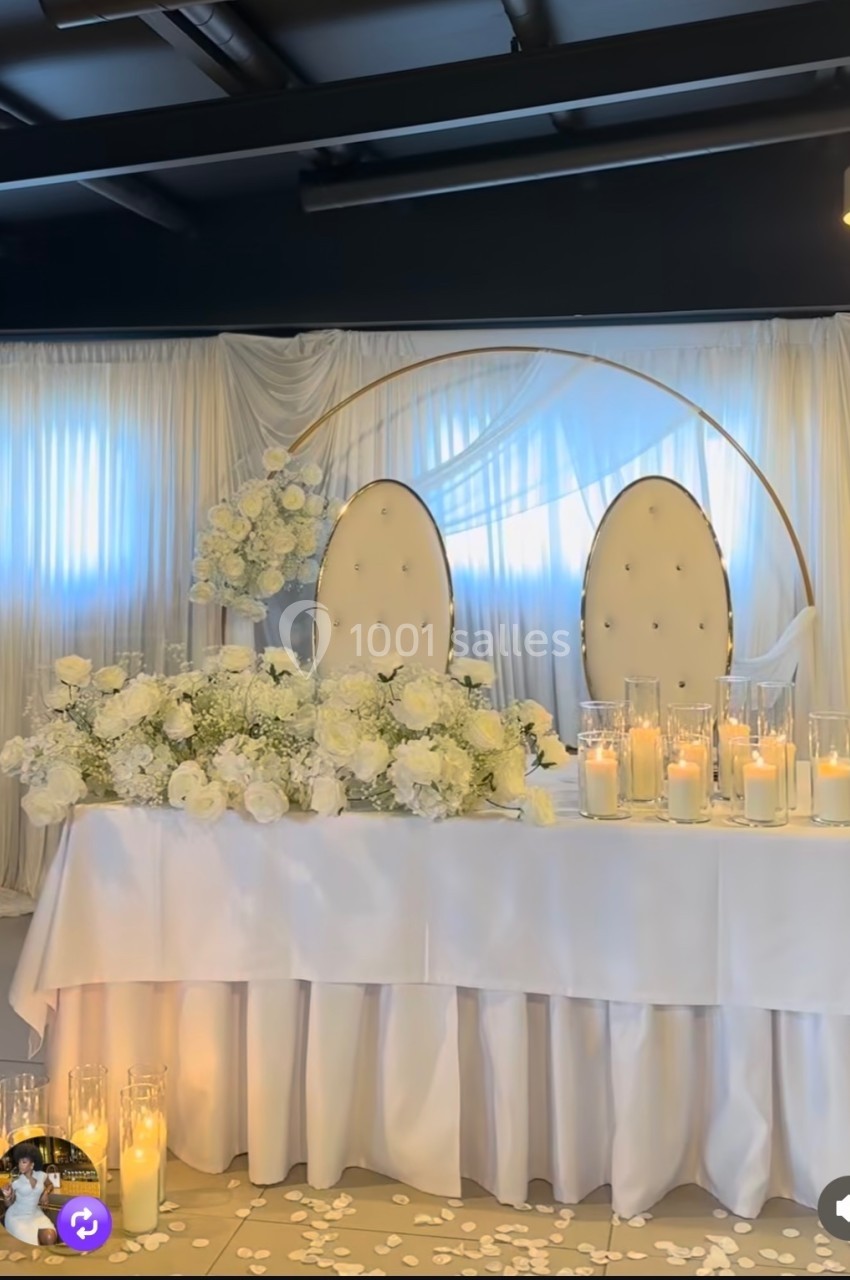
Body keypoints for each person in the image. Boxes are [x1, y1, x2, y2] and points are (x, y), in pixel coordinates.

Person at [1, 1145, 57, 1246]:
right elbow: (8, 1204)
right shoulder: (16, 1181)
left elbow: (50, 1185)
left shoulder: (41, 1175)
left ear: (32, 1164)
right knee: (31, 1245)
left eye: (24, 1162)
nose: (20, 1165)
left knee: (50, 1236)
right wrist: (7, 1196)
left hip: (35, 1214)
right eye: (19, 1162)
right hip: (17, 1216)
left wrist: (45, 1192)